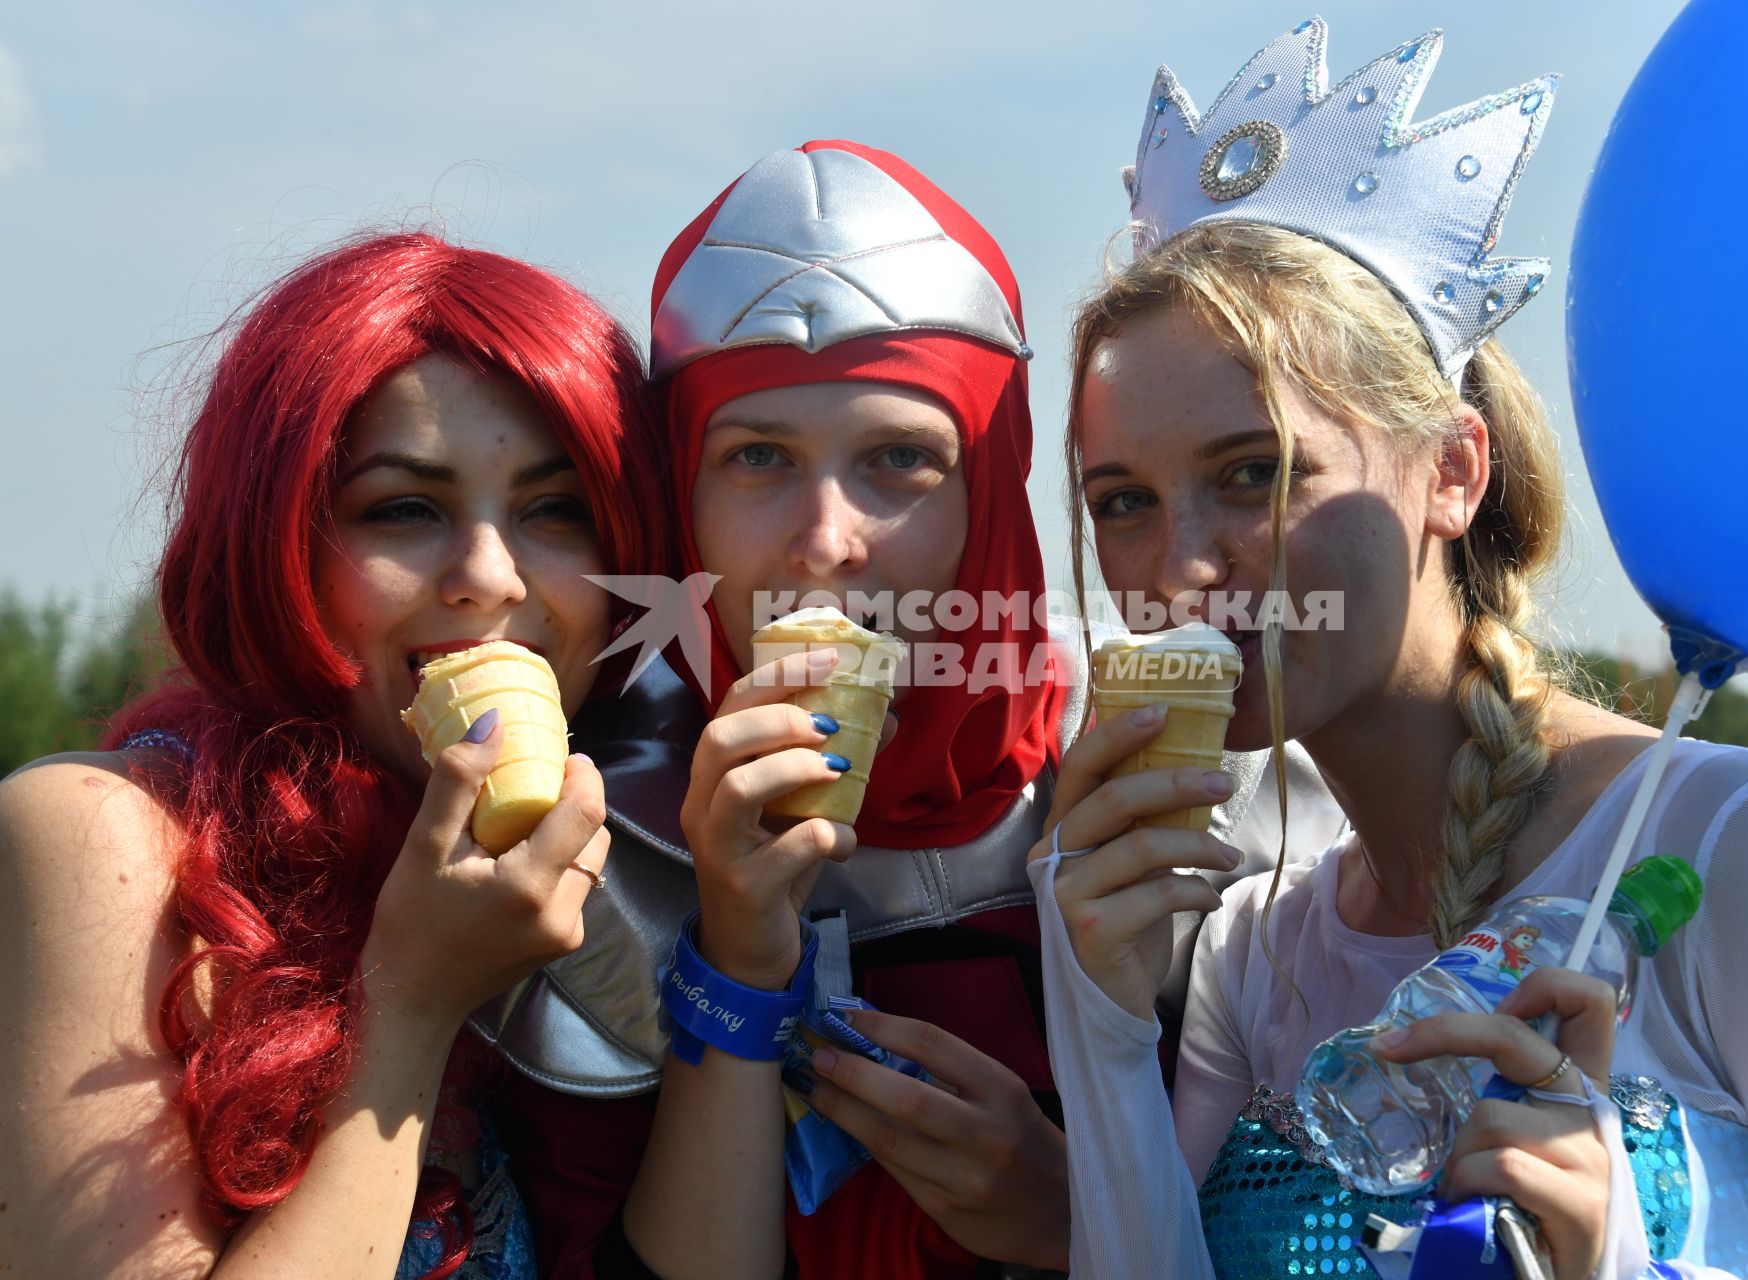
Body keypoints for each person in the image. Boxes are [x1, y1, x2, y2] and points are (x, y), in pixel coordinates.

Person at [1029, 19, 1748, 1280]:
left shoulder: (1744, 853)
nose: (1176, 569)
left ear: (1452, 469)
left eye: (1253, 474)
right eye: (1121, 499)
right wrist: (1103, 1027)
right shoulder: (1250, 953)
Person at [474, 140, 1345, 1279]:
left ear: (996, 484)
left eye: (899, 458)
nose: (825, 539)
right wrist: (735, 952)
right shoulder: (599, 832)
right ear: (677, 489)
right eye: (755, 456)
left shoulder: (1179, 774)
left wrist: (1072, 1219)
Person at [0, 232, 662, 1279]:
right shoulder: (101, 838)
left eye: (556, 510)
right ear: (280, 544)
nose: (489, 576)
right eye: (404, 507)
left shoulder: (626, 863)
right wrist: (413, 999)